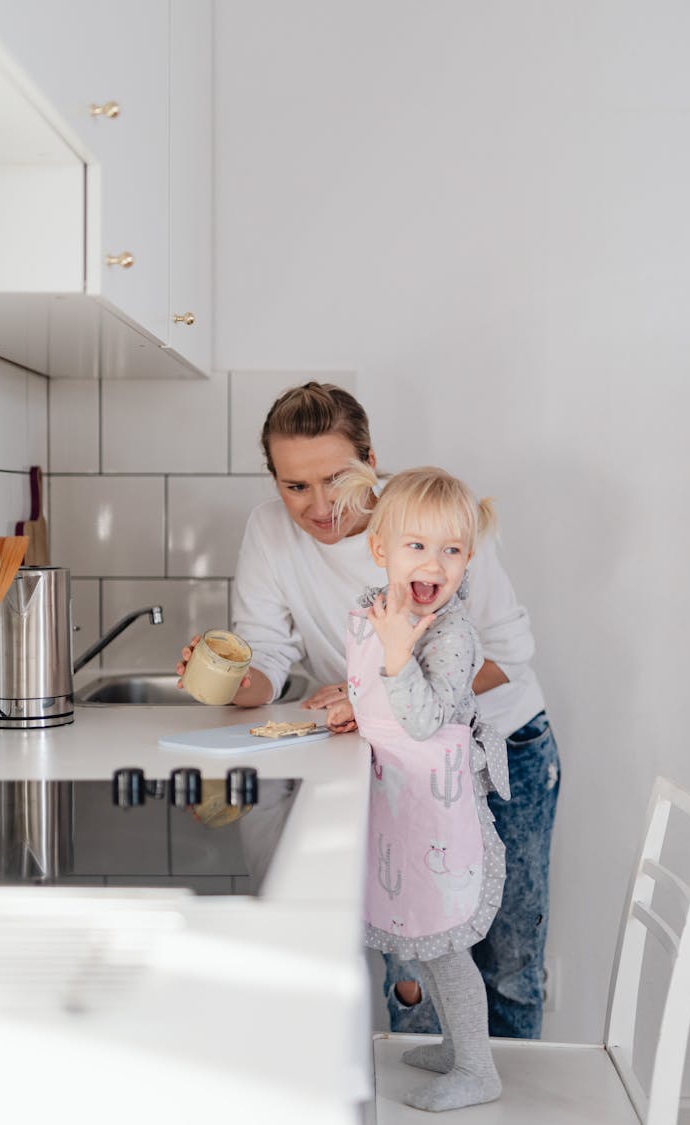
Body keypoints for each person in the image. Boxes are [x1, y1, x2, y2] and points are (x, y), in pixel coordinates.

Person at [177, 381, 560, 1040]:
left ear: (371, 461)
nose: (320, 505)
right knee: (408, 953)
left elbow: (508, 657)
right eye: (296, 486)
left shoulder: (434, 521)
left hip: (503, 750)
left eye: (335, 478)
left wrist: (363, 697)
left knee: (507, 958)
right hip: (401, 762)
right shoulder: (270, 532)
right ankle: (418, 1093)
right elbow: (268, 658)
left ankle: (499, 1098)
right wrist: (224, 680)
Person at [322, 462, 509, 1111]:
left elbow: (427, 717)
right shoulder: (383, 610)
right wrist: (359, 706)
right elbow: (382, 696)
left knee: (450, 945)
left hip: (441, 812)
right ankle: (458, 1046)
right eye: (418, 546)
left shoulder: (451, 632)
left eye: (452, 550)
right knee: (425, 940)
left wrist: (398, 655)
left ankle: (479, 1068)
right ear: (382, 550)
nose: (436, 563)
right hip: (404, 802)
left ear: (468, 559)